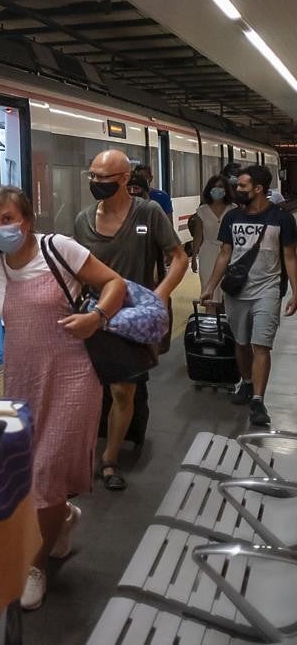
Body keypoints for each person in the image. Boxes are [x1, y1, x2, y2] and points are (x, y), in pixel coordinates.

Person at [0, 186, 126, 610]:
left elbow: (113, 282)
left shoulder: (59, 249)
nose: (1, 228)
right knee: (29, 476)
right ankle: (64, 517)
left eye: (8, 219)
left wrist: (98, 316)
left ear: (27, 221)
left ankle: (35, 566)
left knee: (45, 471)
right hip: (23, 382)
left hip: (73, 377)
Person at [73, 150, 187, 492]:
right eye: (91, 176)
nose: (95, 184)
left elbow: (178, 256)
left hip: (133, 319)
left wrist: (161, 293)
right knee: (92, 388)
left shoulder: (149, 213)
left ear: (124, 179)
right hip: (94, 315)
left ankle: (110, 460)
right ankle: (89, 448)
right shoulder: (82, 220)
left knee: (125, 389)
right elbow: (74, 267)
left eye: (103, 178)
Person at [199, 165, 297, 427]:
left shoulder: (282, 219)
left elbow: (289, 256)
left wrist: (296, 292)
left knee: (261, 345)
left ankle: (257, 400)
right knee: (241, 344)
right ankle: (247, 381)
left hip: (268, 289)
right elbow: (224, 254)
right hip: (236, 291)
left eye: (242, 186)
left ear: (258, 189)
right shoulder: (232, 218)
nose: (236, 189)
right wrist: (210, 286)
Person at [190, 175, 233, 314]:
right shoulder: (202, 211)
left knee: (228, 292)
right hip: (207, 253)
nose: (217, 190)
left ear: (226, 190)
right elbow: (198, 236)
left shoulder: (234, 209)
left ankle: (228, 326)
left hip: (230, 253)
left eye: (221, 187)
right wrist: (194, 257)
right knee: (210, 292)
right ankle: (211, 325)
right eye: (215, 187)